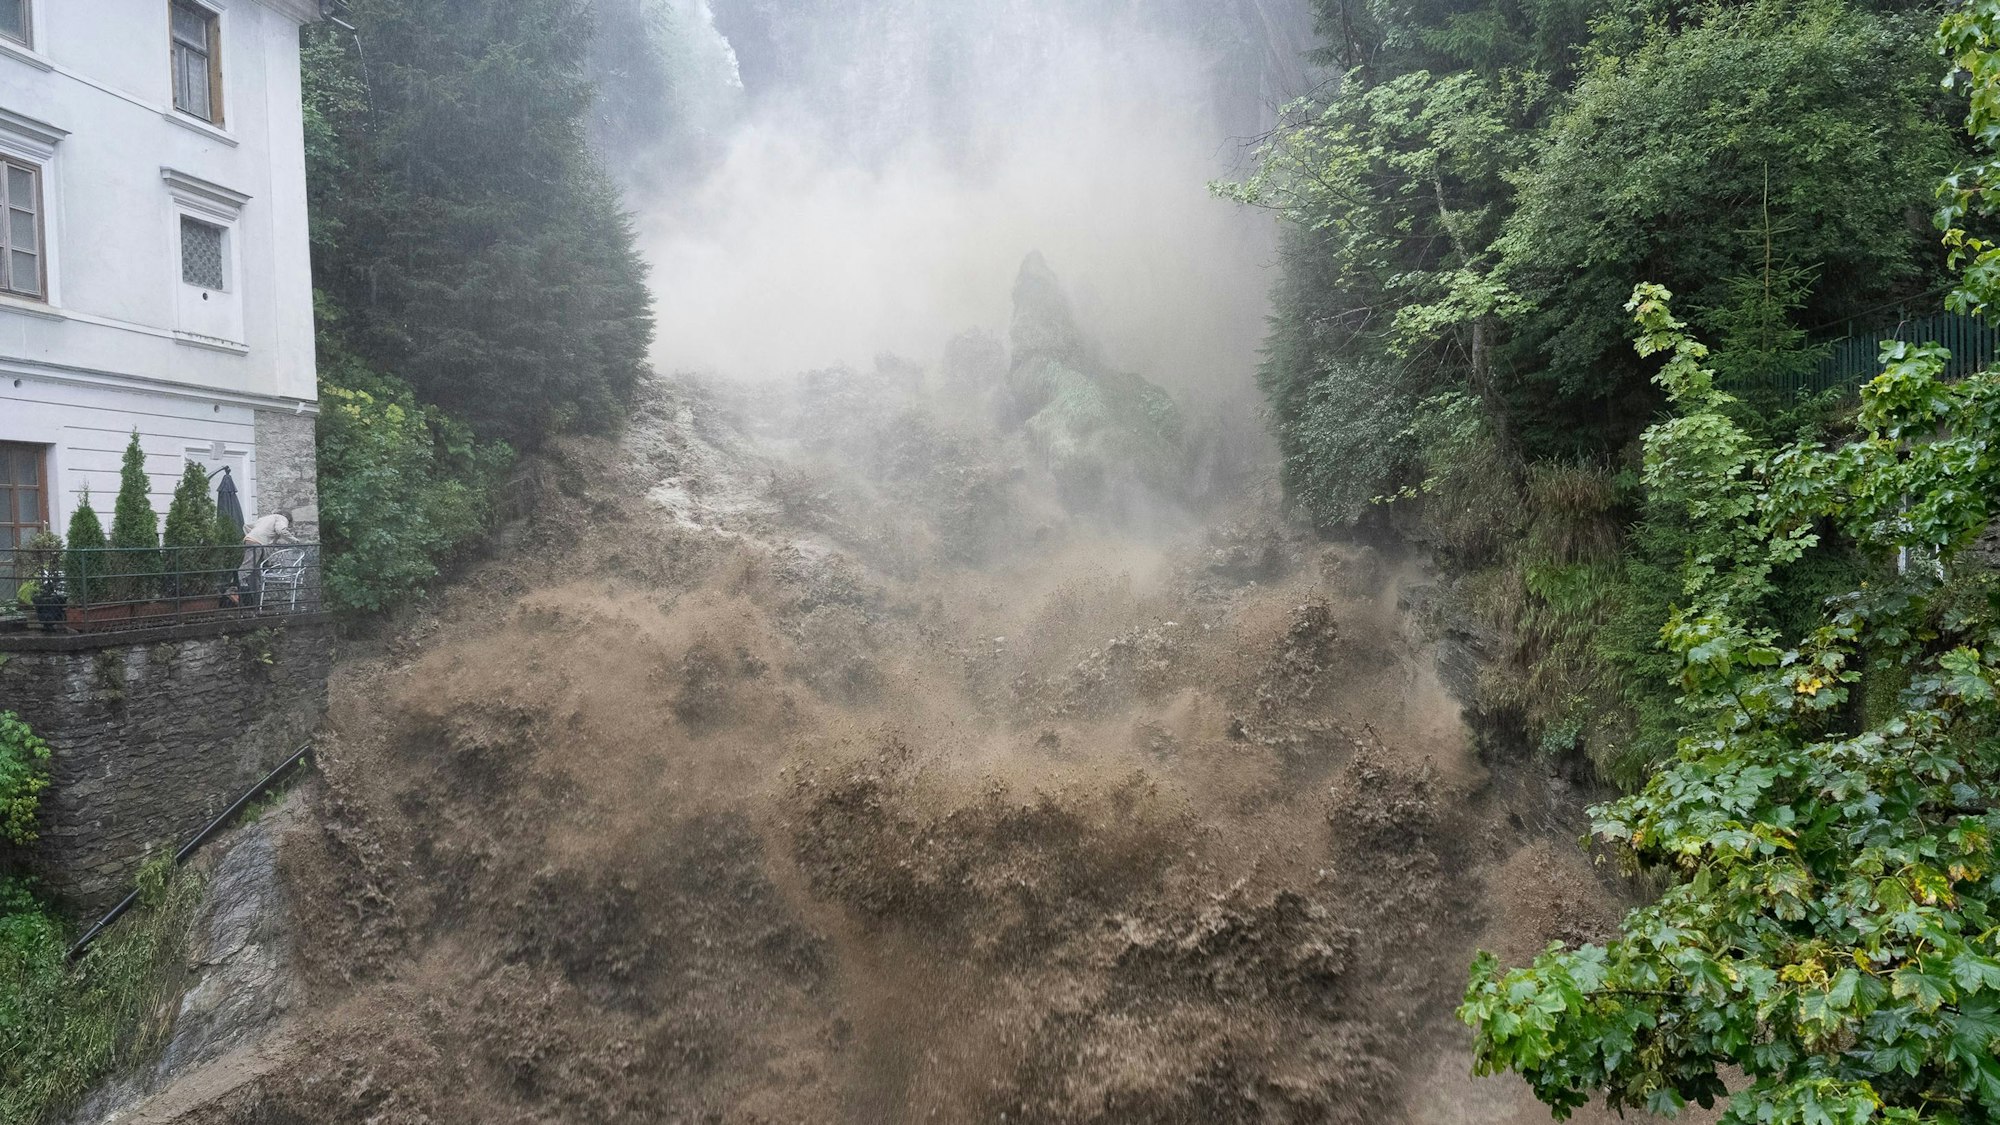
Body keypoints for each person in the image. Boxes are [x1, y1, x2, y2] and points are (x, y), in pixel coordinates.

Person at [237, 513, 295, 607]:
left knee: (255, 572)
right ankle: (238, 588)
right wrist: (294, 540)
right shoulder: (281, 518)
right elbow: (281, 530)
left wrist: (251, 536)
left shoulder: (265, 518)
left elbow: (246, 526)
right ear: (289, 520)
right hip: (257, 543)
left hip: (250, 541)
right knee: (246, 569)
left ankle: (255, 602)